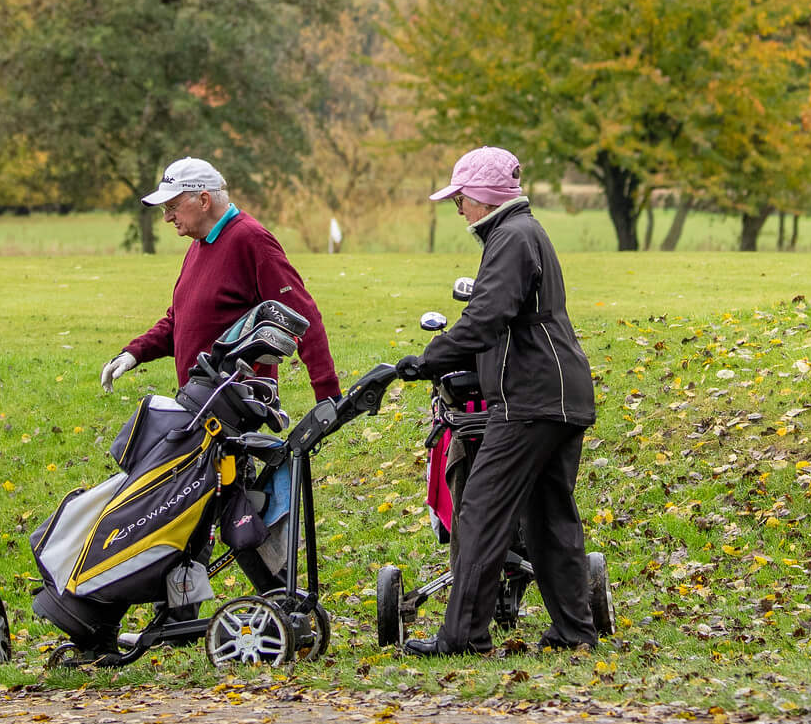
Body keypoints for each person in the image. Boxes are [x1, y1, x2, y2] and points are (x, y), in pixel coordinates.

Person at [396, 146, 598, 656]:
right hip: (560, 392)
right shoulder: (524, 232)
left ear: (482, 197)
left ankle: (463, 637)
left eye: (460, 198)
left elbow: (486, 318)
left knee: (482, 512)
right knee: (551, 519)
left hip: (530, 397)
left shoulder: (510, 237)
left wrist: (428, 360)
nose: (457, 208)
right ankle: (576, 632)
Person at [98, 158, 341, 401]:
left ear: (203, 200)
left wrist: (327, 393)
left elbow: (302, 317)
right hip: (200, 403)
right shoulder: (199, 244)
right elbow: (180, 322)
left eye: (172, 206)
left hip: (236, 408)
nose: (167, 218)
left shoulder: (251, 239)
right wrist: (134, 353)